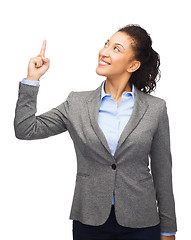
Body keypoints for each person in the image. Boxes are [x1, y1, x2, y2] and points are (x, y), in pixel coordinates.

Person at [14, 24, 177, 240]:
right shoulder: (77, 103)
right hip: (89, 221)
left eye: (116, 49)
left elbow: (162, 171)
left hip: (141, 222)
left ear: (133, 64)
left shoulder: (155, 108)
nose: (105, 51)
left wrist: (168, 229)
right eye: (106, 44)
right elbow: (26, 129)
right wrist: (32, 79)